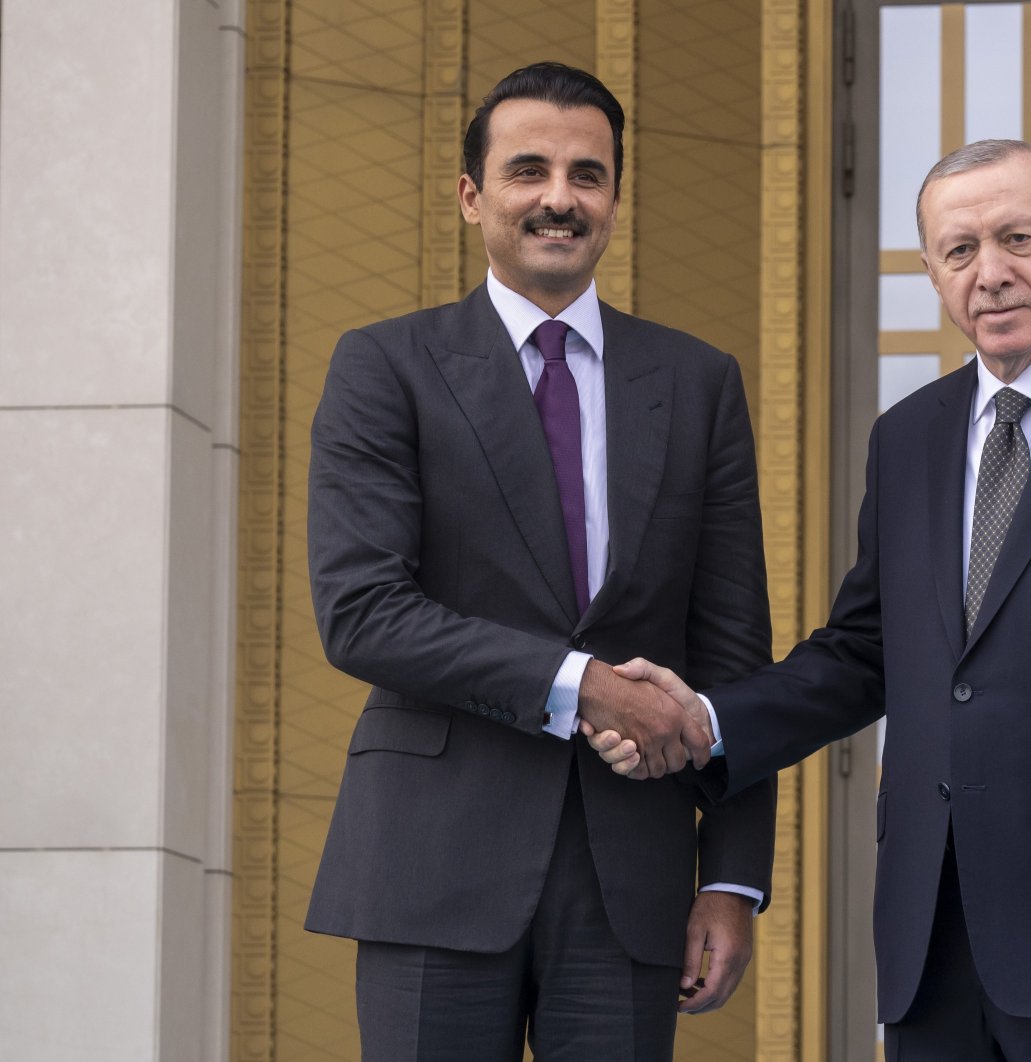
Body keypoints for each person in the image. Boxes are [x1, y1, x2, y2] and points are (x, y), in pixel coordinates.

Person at [588, 139, 1031, 1061]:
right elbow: (864, 653)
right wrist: (711, 719)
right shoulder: (907, 437)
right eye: (960, 251)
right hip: (934, 946)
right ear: (931, 272)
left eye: (1018, 239)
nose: (990, 274)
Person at [302, 61, 776, 1061]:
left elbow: (733, 652)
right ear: (473, 197)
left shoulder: (697, 384)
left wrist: (731, 882)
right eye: (528, 170)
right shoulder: (385, 366)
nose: (560, 198)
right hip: (432, 865)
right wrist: (583, 686)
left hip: (632, 877)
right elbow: (363, 611)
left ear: (612, 197)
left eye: (587, 175)